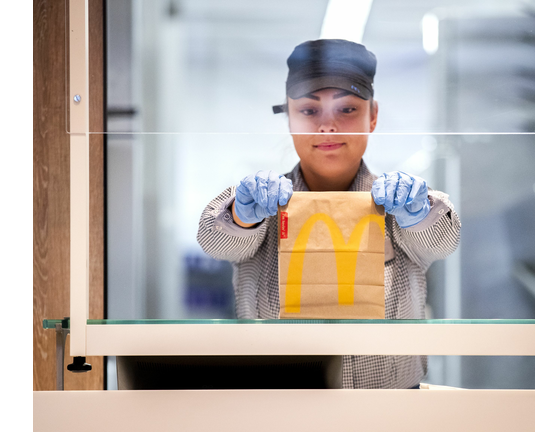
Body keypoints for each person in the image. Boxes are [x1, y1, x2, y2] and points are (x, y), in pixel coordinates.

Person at [197, 39, 461, 389]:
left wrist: (418, 214)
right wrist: (243, 216)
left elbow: (444, 240)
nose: (327, 127)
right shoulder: (263, 205)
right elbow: (215, 242)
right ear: (289, 118)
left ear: (374, 115)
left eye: (347, 109)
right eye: (309, 111)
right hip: (280, 411)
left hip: (390, 413)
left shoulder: (401, 203)